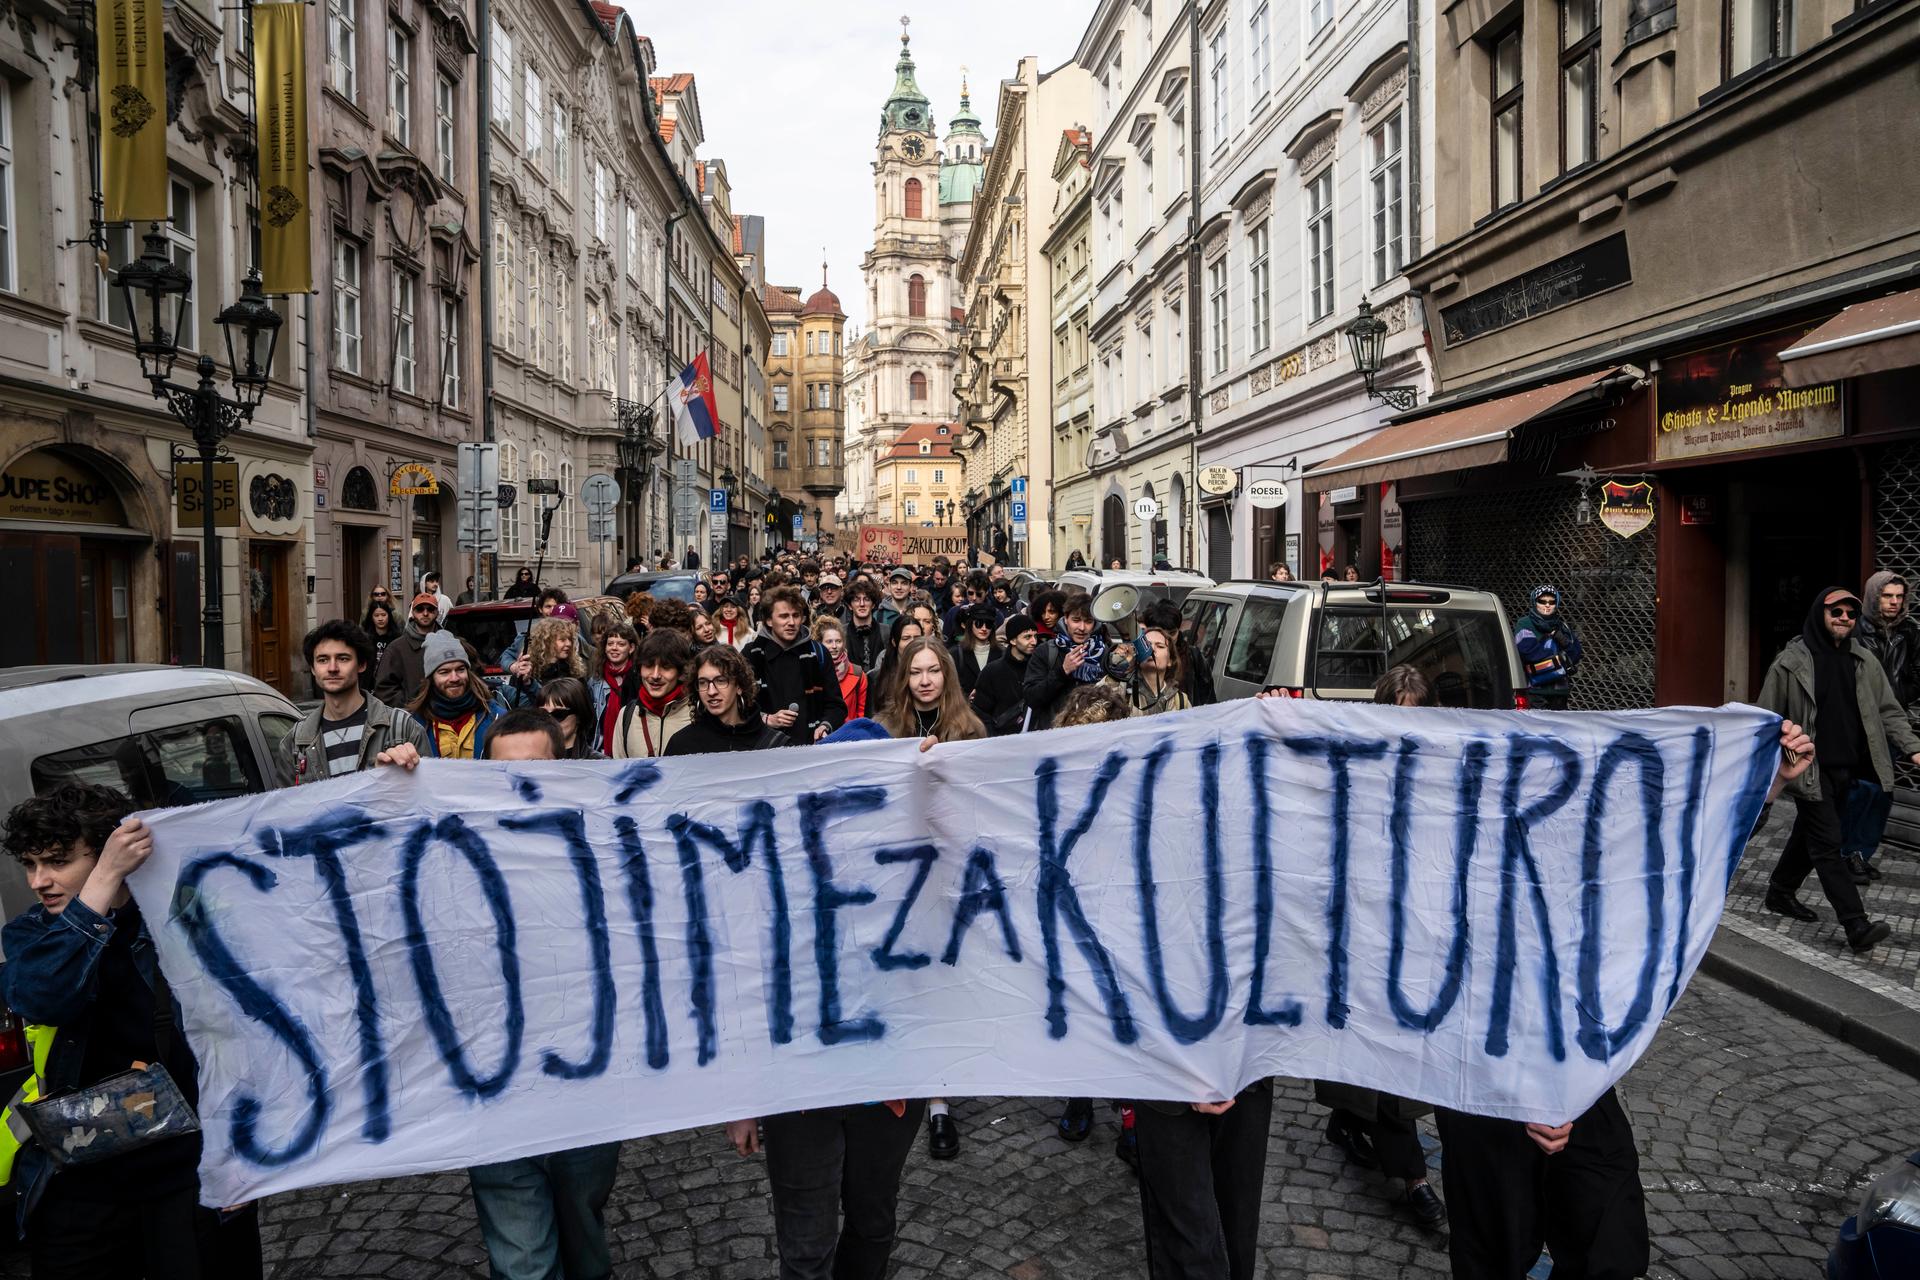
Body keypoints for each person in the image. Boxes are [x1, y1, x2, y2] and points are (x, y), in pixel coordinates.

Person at [1431, 714, 1815, 1280]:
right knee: (1494, 1252)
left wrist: (1769, 780)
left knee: (1608, 1243)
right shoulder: (1451, 864)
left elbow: (1684, 848)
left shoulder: (1592, 853)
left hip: (1580, 1081)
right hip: (1482, 1089)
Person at [0, 785, 265, 1279]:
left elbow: (240, 1041)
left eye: (57, 861)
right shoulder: (30, 935)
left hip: (184, 1175)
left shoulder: (178, 922)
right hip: (79, 1181)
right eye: (30, 864)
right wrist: (99, 884)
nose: (40, 881)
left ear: (114, 851)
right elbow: (44, 997)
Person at [464, 709, 625, 1280]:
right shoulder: (453, 847)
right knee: (524, 1261)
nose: (518, 784)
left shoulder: (605, 841)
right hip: (497, 1086)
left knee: (582, 1228)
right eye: (502, 771)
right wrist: (398, 782)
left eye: (534, 768)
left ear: (563, 767)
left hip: (585, 1083)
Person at [1309, 666, 1448, 1231]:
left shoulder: (1438, 770)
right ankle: (1413, 1177)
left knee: (1395, 1052)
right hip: (1360, 929)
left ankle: (1349, 1118)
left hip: (1413, 932)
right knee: (1368, 1044)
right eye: (1397, 711)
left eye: (1416, 712)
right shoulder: (1354, 764)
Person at [1758, 584, 1920, 951]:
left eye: (1850, 613)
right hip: (1809, 769)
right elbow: (1767, 718)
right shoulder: (1791, 663)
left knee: (1810, 834)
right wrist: (1771, 768)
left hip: (1850, 768)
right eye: (1837, 612)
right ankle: (1856, 925)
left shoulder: (1863, 660)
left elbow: (1889, 711)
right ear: (1821, 614)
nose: (1844, 619)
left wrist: (1913, 749)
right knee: (1829, 845)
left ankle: (1780, 892)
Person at [875, 637, 985, 1163]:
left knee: (943, 985)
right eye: (915, 671)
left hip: (947, 877)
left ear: (947, 676)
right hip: (897, 879)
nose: (924, 680)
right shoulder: (884, 729)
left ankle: (939, 1101)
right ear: (904, 678)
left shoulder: (970, 730)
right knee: (903, 981)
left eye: (933, 671)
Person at [283, 620, 432, 784]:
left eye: (343, 658)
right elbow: (288, 806)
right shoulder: (296, 742)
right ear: (313, 668)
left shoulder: (403, 729)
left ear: (361, 664)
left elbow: (426, 799)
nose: (332, 668)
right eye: (323, 660)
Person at [1846, 570, 1918, 882]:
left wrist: (1898, 694)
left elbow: (1917, 673)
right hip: (1858, 725)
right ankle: (1846, 853)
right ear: (1874, 596)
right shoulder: (1855, 631)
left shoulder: (1910, 632)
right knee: (1861, 790)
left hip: (1891, 723)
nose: (1893, 602)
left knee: (1882, 791)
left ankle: (1862, 852)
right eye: (1887, 595)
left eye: (1899, 596)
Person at [744, 587, 848, 747]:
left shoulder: (818, 652)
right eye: (784, 616)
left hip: (810, 750)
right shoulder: (751, 654)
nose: (791, 623)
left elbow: (836, 705)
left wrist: (824, 726)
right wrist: (767, 718)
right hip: (764, 752)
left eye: (796, 616)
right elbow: (738, 706)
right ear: (769, 620)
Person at [664, 645, 792, 755]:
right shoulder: (682, 744)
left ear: (739, 686)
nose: (711, 691)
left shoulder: (775, 744)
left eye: (721, 681)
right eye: (703, 683)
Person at [407, 631, 510, 760]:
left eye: (460, 669)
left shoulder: (497, 718)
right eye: (444, 672)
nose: (454, 678)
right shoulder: (414, 725)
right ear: (431, 678)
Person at [1023, 592, 1114, 731]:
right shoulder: (1047, 651)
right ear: (1065, 618)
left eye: (1088, 621)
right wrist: (1063, 671)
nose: (1082, 628)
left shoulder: (1103, 652)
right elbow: (1032, 698)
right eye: (1076, 620)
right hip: (1054, 734)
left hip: (1093, 734)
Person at [610, 628, 695, 759]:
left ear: (681, 671)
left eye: (665, 667)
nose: (655, 675)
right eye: (649, 665)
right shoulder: (627, 715)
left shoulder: (696, 714)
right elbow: (621, 772)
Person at [1513, 585, 1583, 710]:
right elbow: (1528, 653)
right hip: (1536, 691)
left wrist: (1561, 638)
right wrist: (1560, 656)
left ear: (1557, 604)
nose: (1547, 605)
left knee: (1559, 727)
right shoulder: (1525, 623)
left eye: (1551, 602)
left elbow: (1576, 653)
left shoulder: (1562, 626)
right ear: (1535, 602)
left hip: (1560, 691)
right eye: (1542, 601)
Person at [972, 615, 1039, 735]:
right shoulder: (993, 671)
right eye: (1027, 637)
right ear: (1013, 640)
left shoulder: (1039, 668)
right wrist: (993, 738)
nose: (1034, 642)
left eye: (1035, 636)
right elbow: (980, 712)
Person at [373, 592, 442, 707]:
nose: (425, 613)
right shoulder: (396, 648)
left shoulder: (450, 643)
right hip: (412, 717)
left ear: (437, 613)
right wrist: (410, 705)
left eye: (430, 609)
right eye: (420, 609)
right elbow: (384, 688)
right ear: (413, 613)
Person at [505, 616, 587, 709]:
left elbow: (585, 707)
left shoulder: (573, 671)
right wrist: (527, 683)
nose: (568, 644)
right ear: (547, 642)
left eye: (570, 639)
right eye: (563, 640)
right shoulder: (527, 673)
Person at [589, 622, 640, 754]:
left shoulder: (640, 677)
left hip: (633, 749)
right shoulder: (595, 681)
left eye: (621, 644)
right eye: (610, 643)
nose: (614, 648)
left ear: (631, 648)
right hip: (601, 752)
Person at [867, 616, 927, 716]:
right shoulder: (876, 678)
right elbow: (872, 717)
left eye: (917, 638)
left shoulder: (930, 676)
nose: (912, 643)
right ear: (894, 642)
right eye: (906, 638)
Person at [536, 676, 606, 760]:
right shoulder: (526, 761)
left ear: (579, 717)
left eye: (559, 714)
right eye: (542, 713)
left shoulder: (600, 764)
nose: (550, 720)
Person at [1128, 626, 1192, 716]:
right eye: (1146, 645)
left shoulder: (1181, 701)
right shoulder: (1122, 692)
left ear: (1170, 660)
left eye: (1160, 646)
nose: (1152, 649)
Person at [816, 616, 870, 721]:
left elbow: (861, 714)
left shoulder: (857, 673)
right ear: (820, 644)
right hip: (823, 734)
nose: (834, 646)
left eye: (838, 641)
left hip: (850, 734)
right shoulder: (813, 673)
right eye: (829, 642)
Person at [949, 603, 1001, 699]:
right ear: (970, 625)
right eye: (979, 623)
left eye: (988, 624)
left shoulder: (1002, 653)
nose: (984, 628)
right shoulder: (956, 653)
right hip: (965, 710)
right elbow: (949, 687)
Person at [360, 600, 402, 690]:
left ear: (389, 616)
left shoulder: (397, 638)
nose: (380, 618)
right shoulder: (365, 638)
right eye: (376, 615)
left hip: (391, 683)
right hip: (369, 684)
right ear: (371, 617)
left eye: (383, 615)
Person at [845, 582, 888, 671]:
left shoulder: (887, 631)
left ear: (873, 604)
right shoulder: (841, 632)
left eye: (867, 599)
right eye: (856, 600)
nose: (862, 604)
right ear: (849, 605)